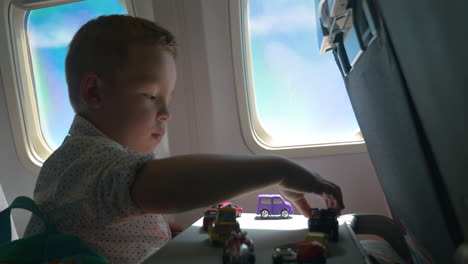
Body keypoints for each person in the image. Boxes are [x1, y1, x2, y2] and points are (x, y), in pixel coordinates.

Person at [24, 15, 345, 264]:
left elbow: (114, 225)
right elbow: (165, 187)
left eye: (168, 98)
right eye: (151, 95)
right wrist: (278, 169)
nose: (166, 113)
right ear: (94, 92)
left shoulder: (94, 160)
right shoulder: (84, 162)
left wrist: (163, 234)